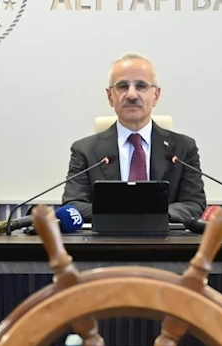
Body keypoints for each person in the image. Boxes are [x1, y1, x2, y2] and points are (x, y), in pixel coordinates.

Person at [60, 52, 206, 223]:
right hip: (106, 238)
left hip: (165, 238)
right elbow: (73, 205)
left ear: (156, 96)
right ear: (110, 96)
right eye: (122, 86)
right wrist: (129, 213)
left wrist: (151, 214)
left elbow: (194, 204)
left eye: (141, 86)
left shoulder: (183, 149)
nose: (131, 95)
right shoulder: (85, 150)